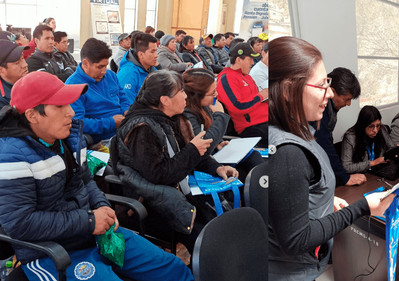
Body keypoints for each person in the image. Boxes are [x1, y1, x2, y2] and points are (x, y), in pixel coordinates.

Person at [0, 71, 193, 281]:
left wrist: (102, 206)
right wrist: (89, 221)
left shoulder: (68, 138)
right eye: (60, 106)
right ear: (32, 115)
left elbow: (85, 182)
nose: (71, 113)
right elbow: (20, 223)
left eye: (70, 104)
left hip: (93, 233)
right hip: (52, 252)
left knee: (173, 269)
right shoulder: (12, 157)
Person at [268, 36, 394, 280]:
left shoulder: (302, 128)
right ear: (287, 90)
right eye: (320, 85)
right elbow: (297, 239)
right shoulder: (288, 153)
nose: (328, 94)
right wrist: (363, 207)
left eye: (327, 83)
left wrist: (326, 199)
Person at [112, 70, 238, 254]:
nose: (186, 96)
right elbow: (159, 175)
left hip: (178, 192)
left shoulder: (170, 119)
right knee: (210, 244)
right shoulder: (142, 129)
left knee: (224, 223)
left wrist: (217, 168)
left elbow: (194, 155)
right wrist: (192, 149)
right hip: (155, 204)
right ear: (165, 100)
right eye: (181, 92)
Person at [183, 68, 263, 180]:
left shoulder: (204, 106)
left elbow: (210, 133)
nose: (216, 94)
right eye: (212, 92)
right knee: (241, 175)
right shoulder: (186, 113)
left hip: (213, 155)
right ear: (197, 95)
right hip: (200, 164)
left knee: (254, 157)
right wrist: (220, 115)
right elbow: (204, 146)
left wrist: (218, 143)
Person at [66, 38, 129, 145]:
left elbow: (123, 98)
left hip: (124, 129)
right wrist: (111, 123)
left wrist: (127, 111)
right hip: (102, 141)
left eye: (106, 66)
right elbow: (77, 123)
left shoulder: (111, 76)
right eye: (100, 67)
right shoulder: (73, 86)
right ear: (85, 64)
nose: (104, 71)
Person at [313, 67, 366, 187]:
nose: (348, 104)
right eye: (346, 99)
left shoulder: (330, 107)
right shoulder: (319, 108)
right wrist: (345, 178)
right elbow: (324, 142)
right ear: (331, 91)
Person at [216, 42, 268, 147]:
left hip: (264, 120)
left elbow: (254, 99)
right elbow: (238, 106)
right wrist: (261, 96)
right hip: (252, 126)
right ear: (239, 60)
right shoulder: (226, 78)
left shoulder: (247, 76)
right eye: (250, 59)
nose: (253, 63)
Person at [341, 106, 399, 174]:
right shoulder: (350, 137)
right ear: (363, 125)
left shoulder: (381, 129)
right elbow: (346, 167)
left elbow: (391, 146)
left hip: (379, 172)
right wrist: (373, 163)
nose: (375, 130)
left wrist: (396, 151)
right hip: (361, 175)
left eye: (378, 125)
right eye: (371, 126)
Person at [117, 32, 158, 106]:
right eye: (152, 52)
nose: (156, 56)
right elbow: (127, 106)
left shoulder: (151, 69)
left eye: (156, 51)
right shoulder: (128, 74)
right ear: (141, 55)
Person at [0, 39, 28, 109]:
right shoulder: (2, 102)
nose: (25, 65)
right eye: (17, 63)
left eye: (22, 58)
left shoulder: (29, 81)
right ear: (1, 70)